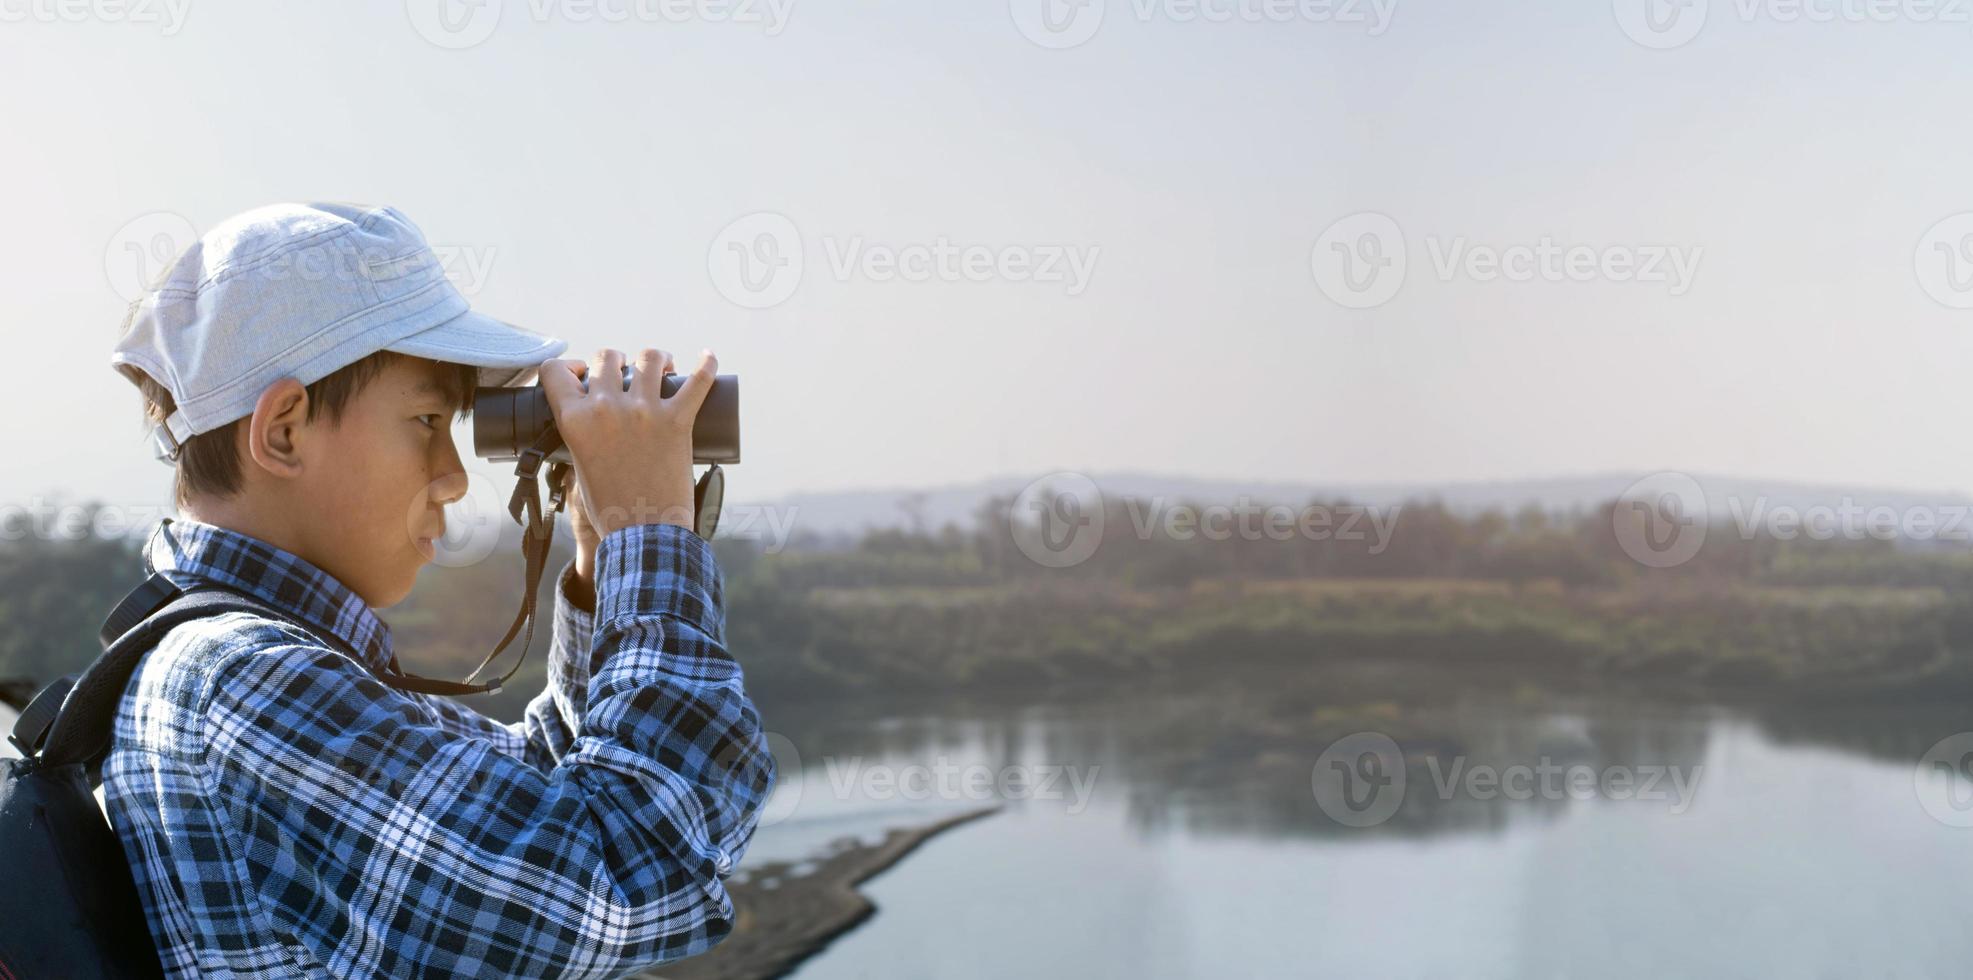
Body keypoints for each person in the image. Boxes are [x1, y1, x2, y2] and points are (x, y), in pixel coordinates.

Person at [100, 201, 775, 977]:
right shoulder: (243, 680)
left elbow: (530, 801)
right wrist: (652, 534)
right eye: (426, 420)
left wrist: (601, 566)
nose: (454, 479)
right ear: (283, 430)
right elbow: (633, 874)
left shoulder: (229, 660)